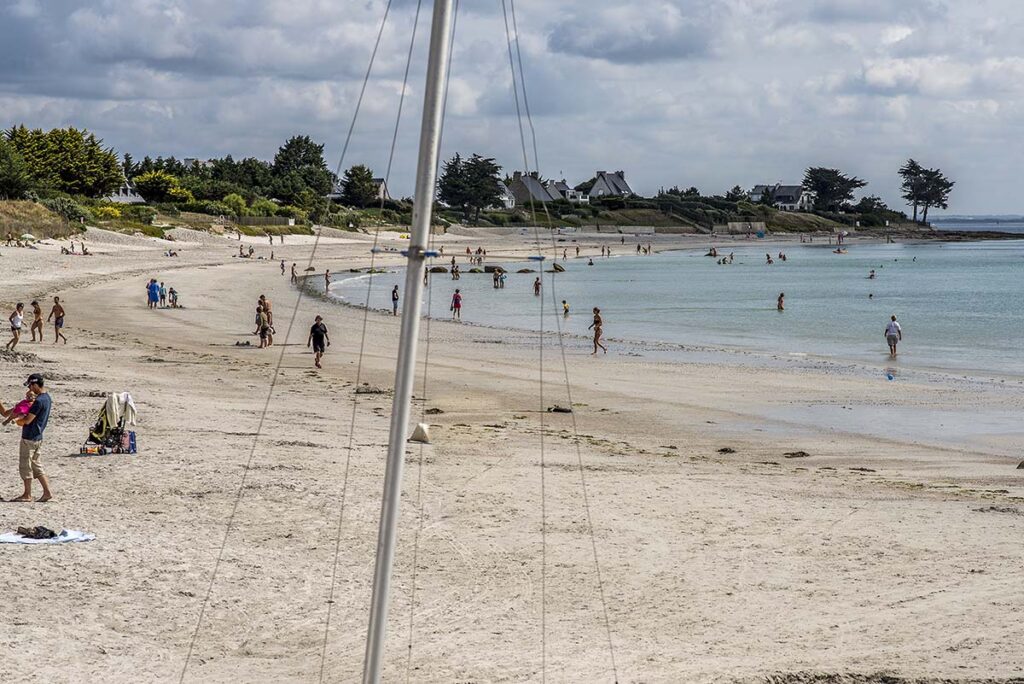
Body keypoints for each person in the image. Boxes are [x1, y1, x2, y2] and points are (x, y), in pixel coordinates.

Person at [2, 373, 54, 502]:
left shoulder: (39, 401)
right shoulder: (47, 398)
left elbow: (27, 420)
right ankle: (47, 492)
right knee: (36, 465)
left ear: (35, 384)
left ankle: (27, 494)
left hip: (29, 437)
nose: (30, 389)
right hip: (38, 436)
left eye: (31, 385)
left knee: (26, 466)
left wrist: (17, 420)